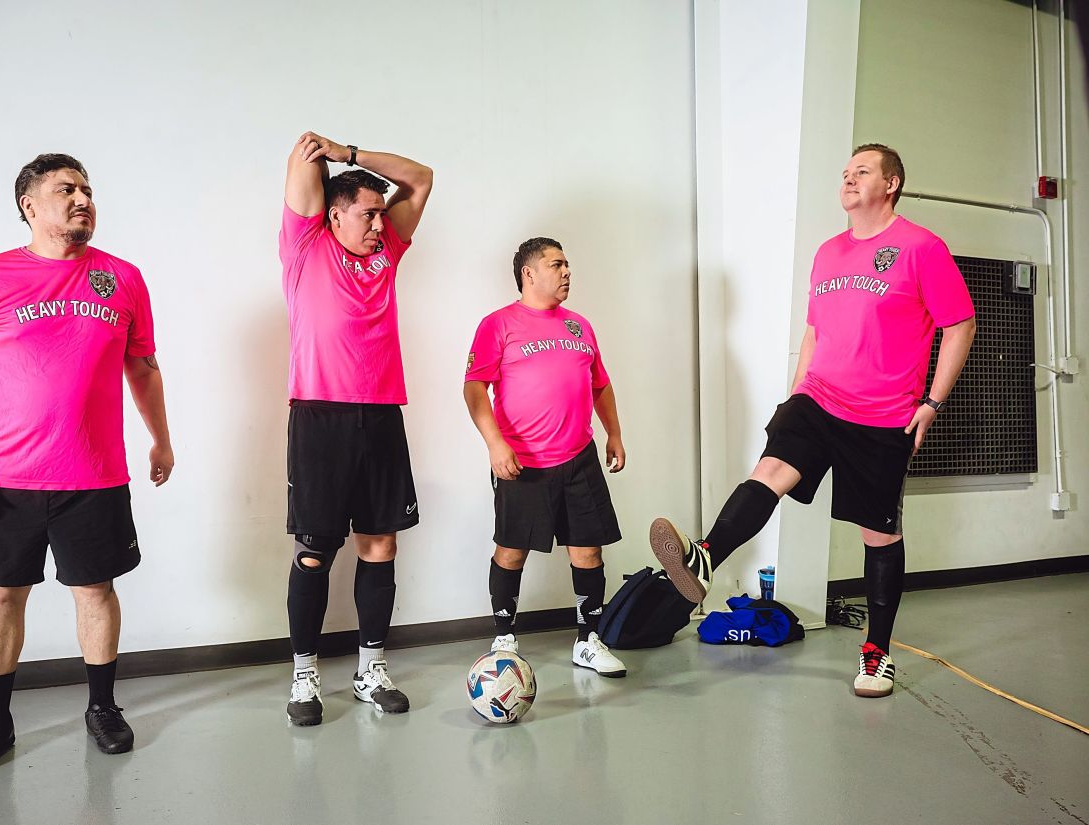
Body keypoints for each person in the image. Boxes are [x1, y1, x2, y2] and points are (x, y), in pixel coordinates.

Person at [650, 144, 976, 697]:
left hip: (883, 413)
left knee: (879, 532)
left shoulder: (922, 247)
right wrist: (798, 391)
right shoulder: (828, 252)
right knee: (770, 470)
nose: (848, 178)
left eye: (862, 171)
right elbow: (815, 331)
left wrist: (933, 402)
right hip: (819, 399)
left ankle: (877, 654)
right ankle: (704, 559)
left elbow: (960, 323)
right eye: (845, 172)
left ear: (891, 183)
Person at [0, 153, 173, 772]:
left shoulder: (122, 278)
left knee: (96, 590)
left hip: (94, 474)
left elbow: (143, 368)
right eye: (66, 189)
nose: (83, 199)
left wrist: (161, 438)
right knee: (1, 596)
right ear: (30, 205)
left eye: (88, 189)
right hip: (6, 476)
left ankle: (102, 708)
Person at [279, 132, 433, 725]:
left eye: (380, 213)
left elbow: (420, 177)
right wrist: (323, 158)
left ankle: (372, 670)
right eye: (366, 213)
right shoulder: (305, 245)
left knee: (380, 545)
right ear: (333, 215)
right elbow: (302, 159)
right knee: (315, 552)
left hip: (381, 414)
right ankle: (304, 676)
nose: (377, 223)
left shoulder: (387, 248)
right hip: (320, 414)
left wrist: (351, 153)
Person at [464, 237, 628, 677]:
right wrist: (495, 444)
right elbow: (474, 388)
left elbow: (600, 384)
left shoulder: (579, 326)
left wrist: (614, 433)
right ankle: (504, 638)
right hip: (523, 462)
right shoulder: (498, 324)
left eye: (567, 264)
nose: (567, 271)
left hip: (579, 458)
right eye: (557, 264)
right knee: (511, 551)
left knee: (588, 551)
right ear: (529, 273)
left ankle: (588, 641)